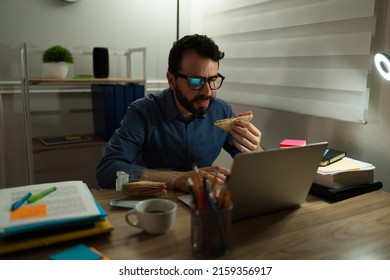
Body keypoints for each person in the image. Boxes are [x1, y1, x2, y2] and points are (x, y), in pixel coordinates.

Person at [96, 34, 263, 192]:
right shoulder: (142, 112)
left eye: (212, 80)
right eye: (196, 81)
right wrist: (175, 178)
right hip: (154, 206)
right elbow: (107, 170)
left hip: (203, 205)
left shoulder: (222, 111)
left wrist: (255, 151)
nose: (208, 92)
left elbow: (256, 167)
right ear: (171, 80)